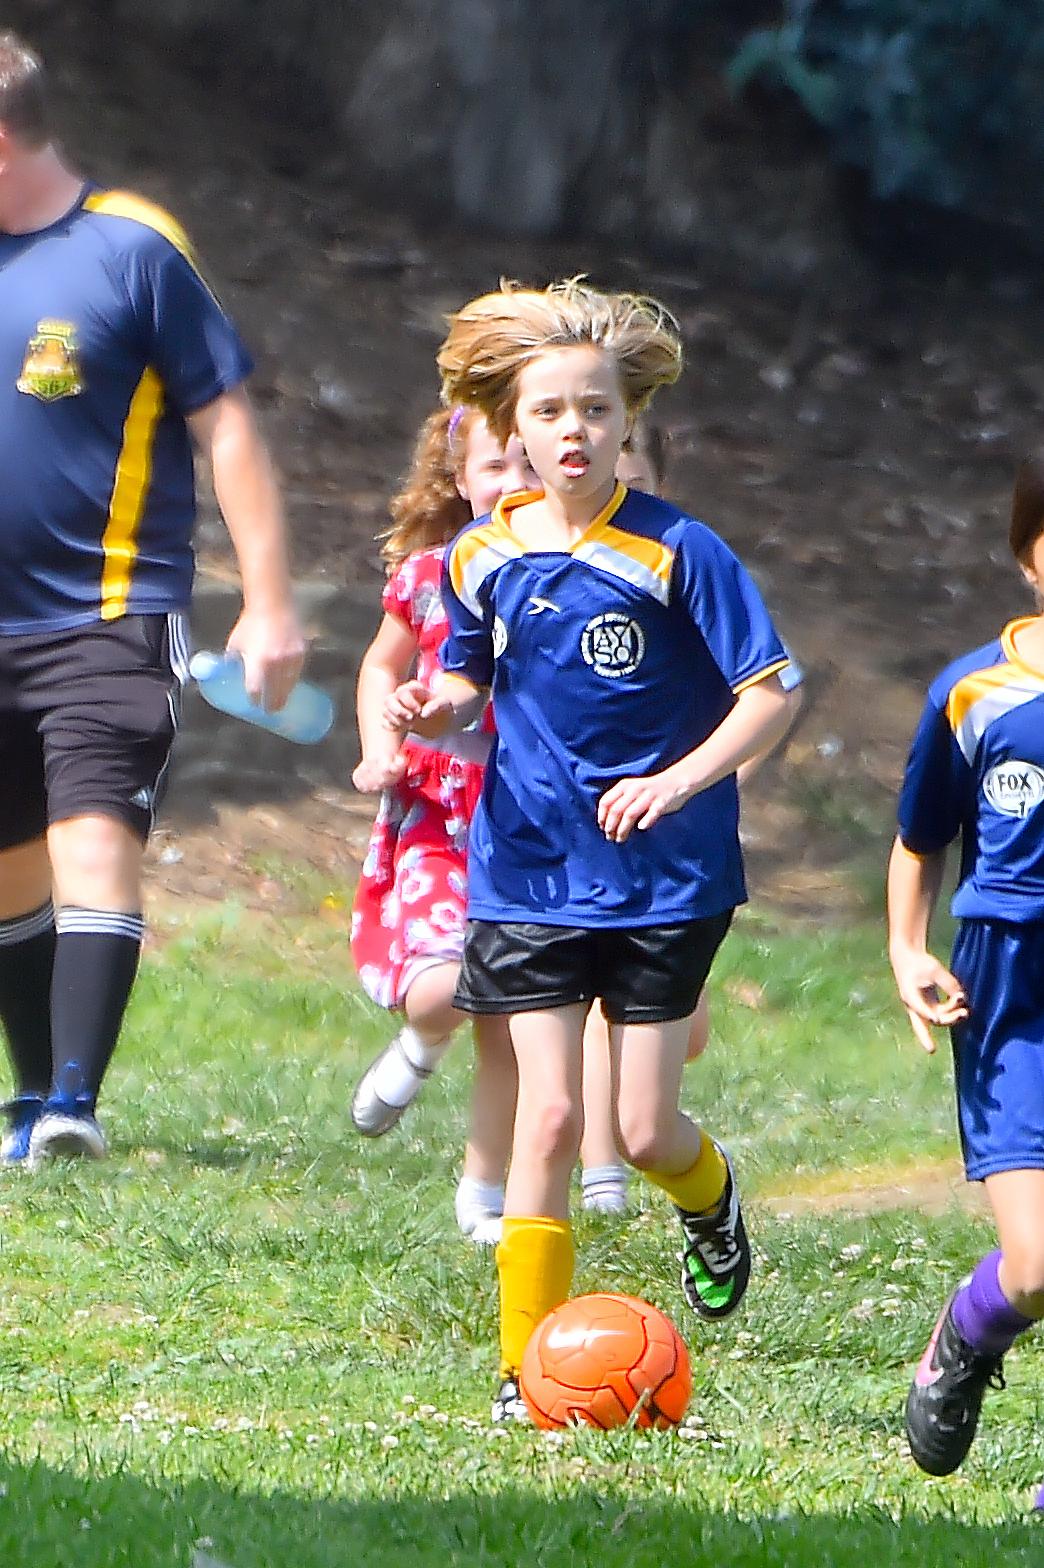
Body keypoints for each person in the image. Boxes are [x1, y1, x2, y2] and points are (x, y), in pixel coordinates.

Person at [386, 278, 795, 1420]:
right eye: (551, 411)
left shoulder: (679, 551)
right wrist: (436, 703)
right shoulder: (482, 552)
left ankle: (708, 1199)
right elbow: (470, 678)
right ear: (508, 428)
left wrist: (675, 781)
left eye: (596, 411)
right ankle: (522, 1373)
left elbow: (772, 693)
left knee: (643, 1127)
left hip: (668, 874)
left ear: (630, 423)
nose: (573, 431)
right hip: (524, 865)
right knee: (551, 1115)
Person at [0, 33, 304, 1165]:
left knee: (91, 842)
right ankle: (34, 1097)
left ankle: (75, 1100)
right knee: (11, 872)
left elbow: (225, 424)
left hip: (108, 610)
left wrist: (266, 600)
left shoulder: (131, 249)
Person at [577, 420, 804, 1215]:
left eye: (635, 479)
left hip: (674, 855)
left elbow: (772, 692)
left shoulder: (684, 562)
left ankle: (669, 1167)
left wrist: (694, 784)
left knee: (675, 1041)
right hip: (567, 849)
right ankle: (595, 1172)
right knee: (582, 1017)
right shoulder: (532, 563)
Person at [889, 451, 1044, 1478]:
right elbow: (920, 837)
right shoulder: (975, 691)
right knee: (1039, 1265)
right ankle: (969, 1331)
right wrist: (908, 946)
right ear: (1029, 556)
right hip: (1012, 981)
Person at [349, 406, 535, 1242]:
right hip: (441, 807)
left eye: (533, 467)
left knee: (511, 1025)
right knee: (442, 987)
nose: (517, 485)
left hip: (534, 818)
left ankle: (483, 1195)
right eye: (498, 467)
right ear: (460, 479)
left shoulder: (579, 573)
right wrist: (377, 745)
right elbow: (382, 665)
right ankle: (423, 1045)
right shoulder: (428, 573)